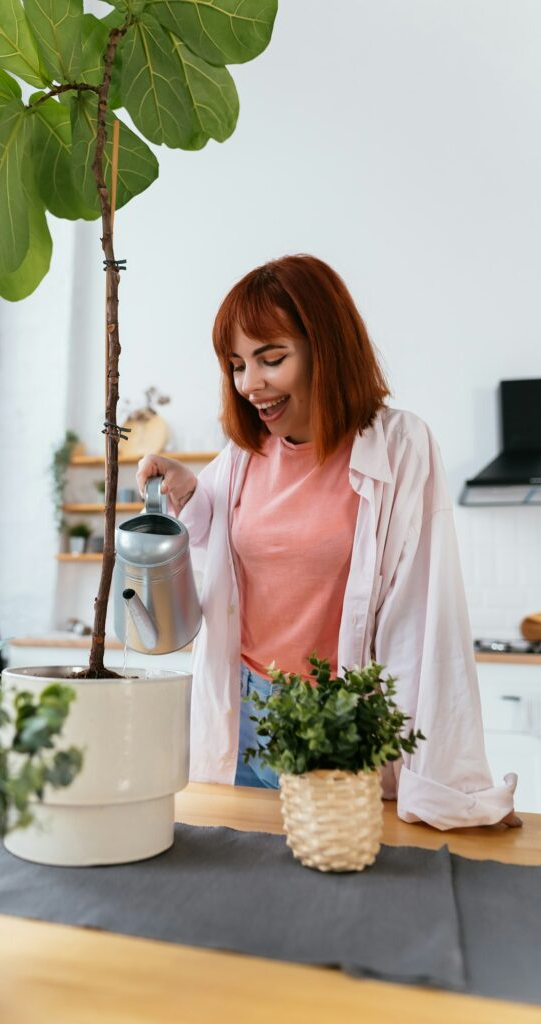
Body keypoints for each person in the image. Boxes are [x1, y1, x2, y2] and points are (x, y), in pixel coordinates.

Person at [136, 254, 520, 830]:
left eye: (272, 358)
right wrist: (191, 492)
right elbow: (221, 545)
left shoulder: (399, 446)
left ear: (327, 349)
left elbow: (425, 618)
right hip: (243, 710)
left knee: (343, 882)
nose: (250, 385)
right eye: (237, 365)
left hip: (337, 724)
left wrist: (447, 785)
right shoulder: (243, 456)